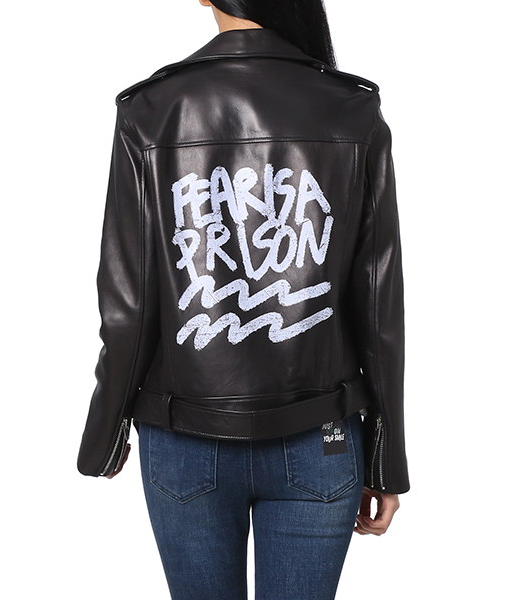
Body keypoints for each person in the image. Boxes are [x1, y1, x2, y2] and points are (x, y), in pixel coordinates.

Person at [78, 1, 409, 598]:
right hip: (321, 437)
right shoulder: (353, 108)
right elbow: (378, 304)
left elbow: (129, 305)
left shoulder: (150, 111)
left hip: (184, 439)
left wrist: (103, 436)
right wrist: (388, 458)